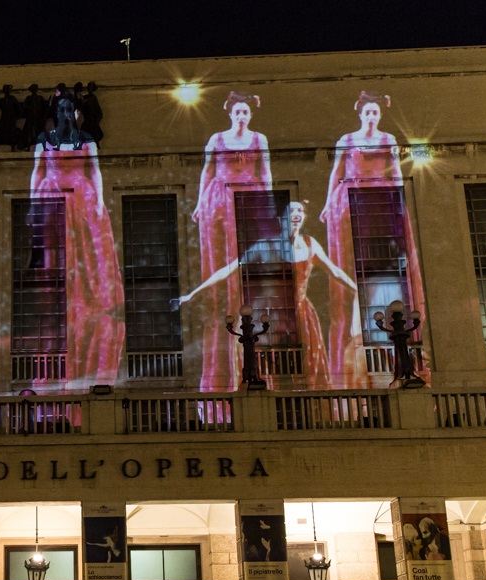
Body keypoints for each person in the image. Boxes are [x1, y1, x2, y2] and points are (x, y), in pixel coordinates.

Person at [176, 201, 357, 388]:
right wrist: (192, 294)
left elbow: (335, 272)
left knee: (305, 366)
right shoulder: (264, 246)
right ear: (281, 218)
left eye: (300, 210)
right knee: (270, 364)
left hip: (301, 315)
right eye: (291, 210)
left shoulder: (310, 244)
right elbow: (229, 270)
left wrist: (356, 290)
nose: (297, 214)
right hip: (271, 315)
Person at [319, 91, 425, 387]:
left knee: (388, 259)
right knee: (354, 261)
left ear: (380, 115)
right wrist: (327, 204)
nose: (371, 116)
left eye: (375, 112)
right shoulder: (347, 140)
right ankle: (358, 335)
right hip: (353, 201)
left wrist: (400, 200)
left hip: (381, 200)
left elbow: (396, 171)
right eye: (367, 112)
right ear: (360, 113)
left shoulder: (388, 139)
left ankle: (395, 345)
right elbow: (336, 172)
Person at [29, 106, 125, 390]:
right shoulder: (44, 140)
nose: (66, 116)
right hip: (52, 198)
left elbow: (95, 171)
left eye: (69, 111)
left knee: (87, 254)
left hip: (82, 197)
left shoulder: (86, 140)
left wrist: (99, 201)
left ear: (77, 115)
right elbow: (37, 171)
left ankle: (89, 297)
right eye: (61, 111)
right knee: (53, 254)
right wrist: (33, 203)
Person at [189, 91, 273, 392]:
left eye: (245, 112)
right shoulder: (217, 139)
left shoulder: (259, 139)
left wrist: (268, 203)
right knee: (221, 262)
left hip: (248, 202)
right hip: (218, 202)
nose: (241, 116)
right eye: (237, 111)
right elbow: (207, 171)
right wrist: (200, 203)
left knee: (247, 262)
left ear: (251, 115)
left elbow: (266, 173)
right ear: (230, 113)